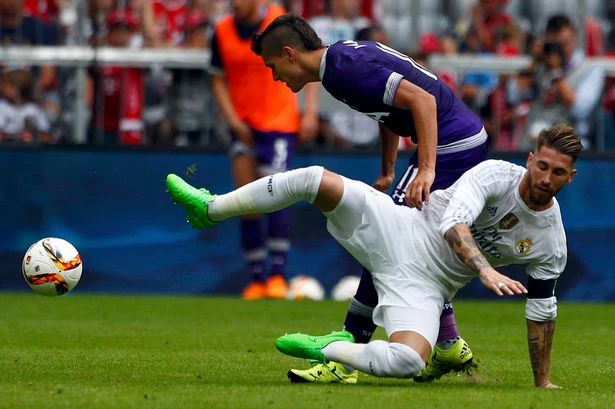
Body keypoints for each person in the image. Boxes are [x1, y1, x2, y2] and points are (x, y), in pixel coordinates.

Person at [166, 123, 581, 389]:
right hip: (400, 227)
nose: (546, 178)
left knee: (407, 361)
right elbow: (453, 224)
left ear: (571, 177)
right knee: (314, 179)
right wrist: (485, 270)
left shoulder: (551, 239)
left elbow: (542, 311)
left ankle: (330, 348)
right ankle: (210, 208)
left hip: (427, 286)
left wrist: (542, 382)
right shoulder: (496, 175)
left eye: (558, 172)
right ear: (530, 159)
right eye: (542, 166)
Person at [250, 14, 489, 382]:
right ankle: (448, 341)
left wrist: (427, 170)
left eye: (272, 66)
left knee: (387, 242)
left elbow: (423, 101)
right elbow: (388, 111)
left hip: (453, 145)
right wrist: (388, 169)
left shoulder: (344, 68)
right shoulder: (339, 63)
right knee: (407, 245)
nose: (275, 77)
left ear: (289, 54)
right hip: (458, 140)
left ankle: (344, 359)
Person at [209, 1, 319, 300]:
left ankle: (278, 275)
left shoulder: (279, 21)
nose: (235, 3)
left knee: (276, 196)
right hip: (243, 124)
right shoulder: (221, 31)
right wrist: (233, 120)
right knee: (245, 200)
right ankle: (257, 278)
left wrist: (309, 112)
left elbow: (309, 63)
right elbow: (217, 79)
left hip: (278, 122)